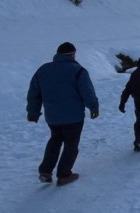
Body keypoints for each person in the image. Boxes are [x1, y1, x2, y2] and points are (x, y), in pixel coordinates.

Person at [27, 41, 99, 186]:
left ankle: (45, 172)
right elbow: (87, 92)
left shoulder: (43, 70)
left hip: (53, 117)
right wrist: (93, 107)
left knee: (55, 141)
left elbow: (34, 93)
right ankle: (64, 175)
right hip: (74, 117)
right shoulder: (78, 71)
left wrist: (33, 111)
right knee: (71, 145)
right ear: (72, 54)